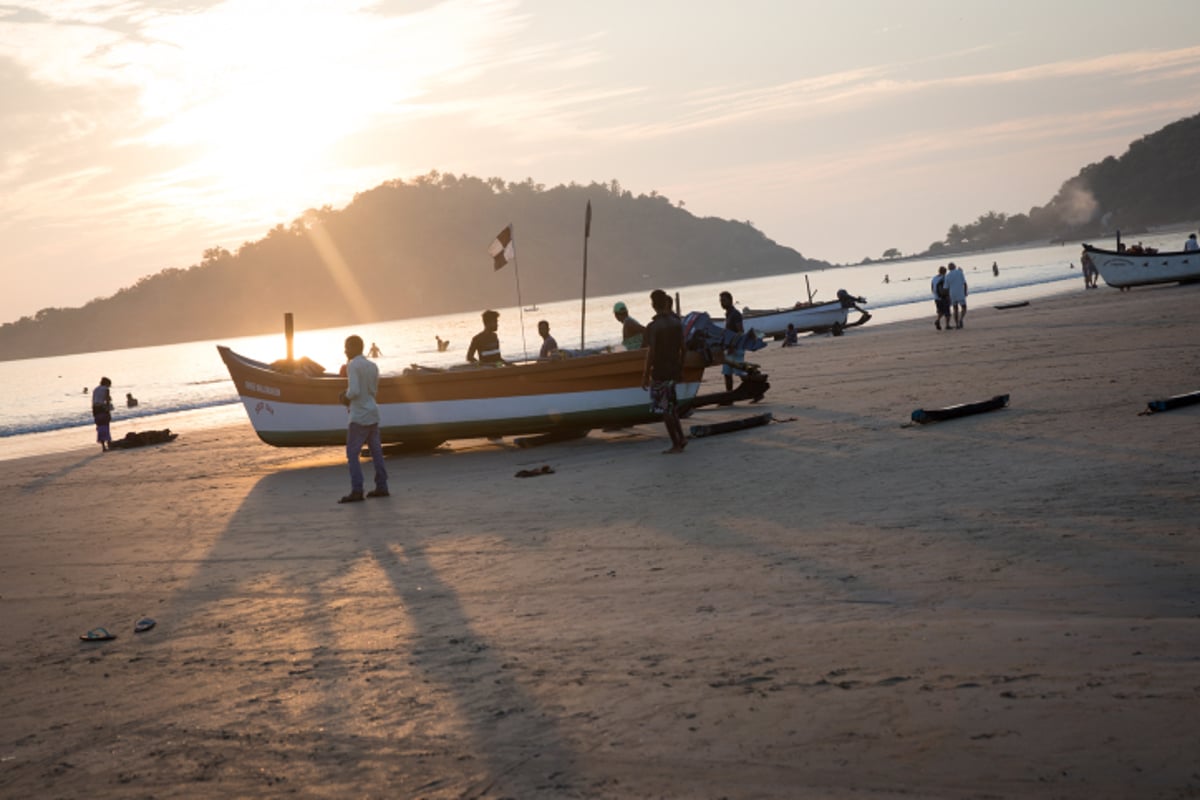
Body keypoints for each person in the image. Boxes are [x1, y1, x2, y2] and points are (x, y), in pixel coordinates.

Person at [337, 335, 388, 503]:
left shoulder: (353, 365)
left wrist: (345, 396)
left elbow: (355, 391)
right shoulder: (373, 365)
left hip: (359, 415)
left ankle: (357, 490)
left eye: (347, 347)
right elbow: (374, 390)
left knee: (352, 453)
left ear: (353, 347)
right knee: (377, 452)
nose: (345, 350)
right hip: (373, 411)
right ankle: (382, 486)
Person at [641, 289, 687, 454]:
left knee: (665, 409)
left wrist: (645, 375)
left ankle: (676, 443)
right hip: (674, 369)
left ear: (653, 305)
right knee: (672, 405)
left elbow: (651, 353)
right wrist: (681, 369)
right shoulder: (677, 323)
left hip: (660, 372)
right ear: (666, 303)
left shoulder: (653, 327)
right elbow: (684, 348)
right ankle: (681, 437)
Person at [718, 290, 744, 393]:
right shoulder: (728, 314)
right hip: (729, 348)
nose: (722, 303)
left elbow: (741, 331)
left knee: (741, 372)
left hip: (736, 348)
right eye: (720, 301)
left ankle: (756, 391)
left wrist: (733, 345)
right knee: (727, 372)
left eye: (724, 300)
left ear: (730, 300)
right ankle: (729, 396)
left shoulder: (735, 314)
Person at [943, 262, 968, 329]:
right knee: (964, 307)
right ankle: (961, 319)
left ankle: (957, 324)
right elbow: (964, 283)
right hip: (960, 292)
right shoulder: (959, 272)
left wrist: (948, 296)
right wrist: (965, 291)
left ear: (949, 268)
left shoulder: (947, 276)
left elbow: (946, 288)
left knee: (955, 309)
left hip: (952, 294)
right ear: (954, 266)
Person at [91, 377, 113, 451]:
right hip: (102, 408)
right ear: (107, 383)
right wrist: (108, 411)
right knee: (106, 426)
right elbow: (107, 401)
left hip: (95, 409)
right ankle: (109, 444)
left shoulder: (95, 389)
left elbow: (94, 400)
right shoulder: (106, 389)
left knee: (100, 427)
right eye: (109, 384)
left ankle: (103, 446)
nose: (110, 386)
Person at [931, 266, 951, 330]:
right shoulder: (944, 278)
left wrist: (935, 294)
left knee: (940, 311)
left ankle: (938, 320)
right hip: (944, 297)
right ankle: (947, 325)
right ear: (945, 272)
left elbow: (932, 288)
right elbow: (946, 288)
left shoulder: (934, 278)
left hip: (936, 297)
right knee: (947, 312)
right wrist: (948, 295)